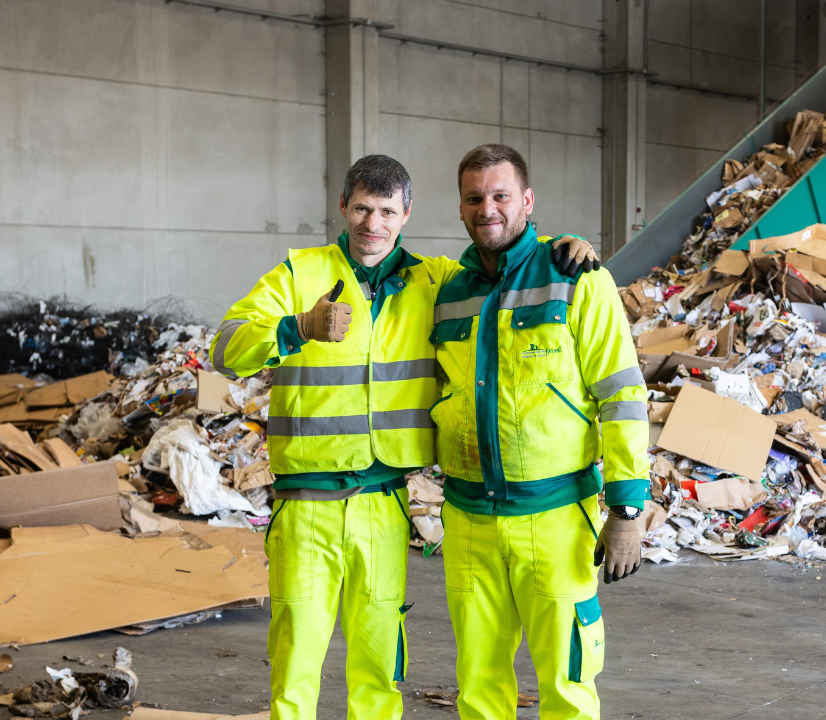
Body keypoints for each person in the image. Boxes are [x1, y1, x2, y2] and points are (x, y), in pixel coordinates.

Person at [208, 154, 598, 720]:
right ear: (343, 207)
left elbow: (499, 264)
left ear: (407, 213)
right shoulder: (300, 274)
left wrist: (560, 246)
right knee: (295, 663)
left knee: (379, 668)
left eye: (387, 212)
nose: (374, 224)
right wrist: (298, 327)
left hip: (384, 504)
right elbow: (226, 348)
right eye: (362, 209)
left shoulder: (433, 280)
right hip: (307, 507)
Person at [428, 144, 651, 720]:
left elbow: (622, 396)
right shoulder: (449, 293)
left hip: (554, 518)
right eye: (475, 198)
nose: (488, 208)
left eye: (501, 196)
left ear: (527, 201)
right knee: (478, 685)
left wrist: (627, 511)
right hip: (469, 520)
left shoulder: (576, 276)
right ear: (460, 207)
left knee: (567, 684)